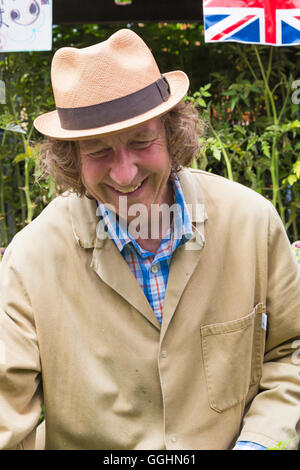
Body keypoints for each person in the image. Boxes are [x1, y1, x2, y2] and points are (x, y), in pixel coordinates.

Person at [0, 28, 299, 451]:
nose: (124, 174)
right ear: (71, 160)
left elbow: (290, 351)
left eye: (142, 142)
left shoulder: (252, 223)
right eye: (99, 151)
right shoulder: (31, 261)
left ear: (172, 133)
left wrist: (260, 441)